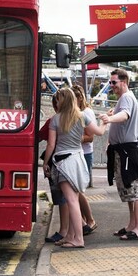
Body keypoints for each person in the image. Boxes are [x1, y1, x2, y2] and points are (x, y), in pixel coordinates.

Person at [43, 87, 106, 248]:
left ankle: (78, 239)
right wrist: (105, 122)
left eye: (58, 99)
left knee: (71, 201)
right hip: (78, 160)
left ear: (62, 101)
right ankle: (71, 235)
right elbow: (98, 132)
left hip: (63, 163)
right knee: (74, 199)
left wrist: (45, 163)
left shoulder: (56, 120)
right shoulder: (82, 116)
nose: (56, 102)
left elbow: (51, 145)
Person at [99, 68, 138, 241]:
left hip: (127, 149)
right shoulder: (125, 98)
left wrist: (109, 119)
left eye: (114, 82)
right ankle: (132, 225)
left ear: (124, 82)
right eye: (110, 82)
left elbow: (125, 115)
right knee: (128, 190)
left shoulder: (126, 97)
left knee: (133, 189)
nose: (111, 86)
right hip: (123, 149)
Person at [39, 95, 68, 243]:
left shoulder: (54, 120)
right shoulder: (76, 118)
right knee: (71, 197)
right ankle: (81, 225)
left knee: (61, 198)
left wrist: (45, 163)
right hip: (73, 161)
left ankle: (64, 230)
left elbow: (44, 141)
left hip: (57, 161)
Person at [72, 84, 98, 232]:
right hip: (76, 153)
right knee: (75, 190)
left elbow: (90, 137)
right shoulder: (76, 112)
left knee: (78, 190)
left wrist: (74, 138)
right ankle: (82, 222)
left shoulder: (86, 112)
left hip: (84, 153)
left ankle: (90, 220)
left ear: (80, 98)